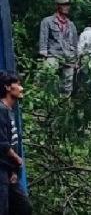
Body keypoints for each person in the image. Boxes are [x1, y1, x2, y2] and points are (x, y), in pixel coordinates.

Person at [0, 71, 32, 215]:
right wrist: (17, 159)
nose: (21, 88)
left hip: (8, 170)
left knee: (23, 207)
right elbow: (2, 143)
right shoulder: (0, 110)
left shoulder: (9, 110)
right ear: (7, 87)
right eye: (18, 84)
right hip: (1, 169)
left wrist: (14, 170)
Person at [39, 0, 78, 96]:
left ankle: (64, 104)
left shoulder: (71, 24)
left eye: (67, 5)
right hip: (53, 54)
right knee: (47, 77)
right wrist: (44, 54)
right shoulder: (47, 21)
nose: (67, 7)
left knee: (68, 82)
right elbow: (43, 39)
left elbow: (74, 43)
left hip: (68, 56)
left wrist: (75, 60)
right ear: (57, 6)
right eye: (64, 5)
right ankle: (46, 102)